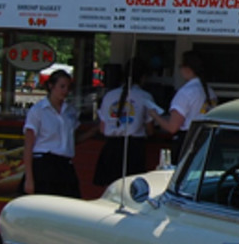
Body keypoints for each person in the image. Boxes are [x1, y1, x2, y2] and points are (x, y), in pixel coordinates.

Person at [93, 57, 157, 187]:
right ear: (143, 77)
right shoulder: (145, 96)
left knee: (110, 189)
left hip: (111, 148)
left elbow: (102, 128)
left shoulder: (109, 96)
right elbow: (150, 130)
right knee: (131, 189)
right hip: (134, 149)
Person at [22, 69, 81, 197]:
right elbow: (28, 146)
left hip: (65, 164)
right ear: (51, 86)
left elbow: (72, 139)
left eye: (68, 87)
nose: (65, 91)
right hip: (44, 163)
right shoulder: (38, 111)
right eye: (62, 87)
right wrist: (29, 178)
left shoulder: (70, 111)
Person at [149, 50, 215, 163]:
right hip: (206, 140)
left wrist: (154, 115)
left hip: (187, 142)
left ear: (187, 69)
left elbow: (172, 127)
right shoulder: (210, 92)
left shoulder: (186, 92)